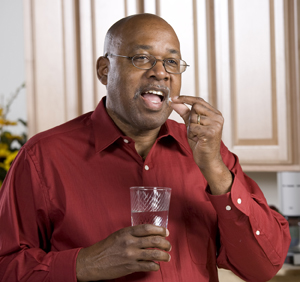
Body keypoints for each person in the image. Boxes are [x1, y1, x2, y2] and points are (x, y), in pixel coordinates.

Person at [0, 13, 290, 282]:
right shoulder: (42, 158)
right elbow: (6, 266)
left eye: (172, 63)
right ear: (105, 70)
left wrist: (214, 168)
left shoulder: (209, 153)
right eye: (142, 58)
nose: (160, 73)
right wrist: (85, 263)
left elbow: (263, 266)